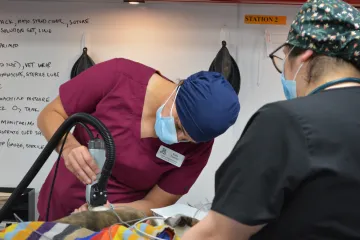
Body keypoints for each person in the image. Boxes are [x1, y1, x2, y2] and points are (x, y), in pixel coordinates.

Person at [181, 0, 360, 239]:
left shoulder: (284, 122)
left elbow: (217, 233)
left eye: (284, 58)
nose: (284, 71)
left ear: (305, 54)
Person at [36, 58, 240, 221]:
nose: (177, 139)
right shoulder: (117, 77)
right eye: (178, 126)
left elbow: (156, 202)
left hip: (120, 226)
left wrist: (109, 214)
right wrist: (69, 148)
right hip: (58, 208)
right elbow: (49, 114)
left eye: (187, 140)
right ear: (178, 90)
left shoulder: (200, 148)